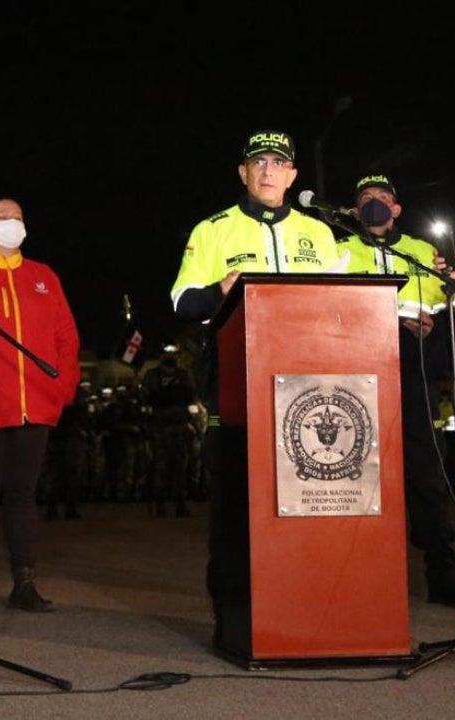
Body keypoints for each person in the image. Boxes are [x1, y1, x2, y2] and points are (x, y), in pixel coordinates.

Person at [169, 129, 344, 641]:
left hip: (310, 384)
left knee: (308, 499)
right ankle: (234, 618)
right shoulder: (213, 229)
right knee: (235, 502)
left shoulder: (321, 233)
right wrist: (219, 291)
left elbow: (344, 306)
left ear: (292, 176)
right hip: (235, 379)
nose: (267, 171)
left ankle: (306, 607)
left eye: (278, 163)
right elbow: (182, 302)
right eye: (257, 162)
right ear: (243, 173)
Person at [336, 173, 455, 607]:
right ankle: (365, 580)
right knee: (359, 478)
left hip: (415, 378)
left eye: (383, 198)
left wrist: (432, 329)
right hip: (356, 379)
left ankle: (443, 576)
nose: (375, 203)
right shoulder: (338, 253)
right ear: (354, 211)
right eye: (366, 198)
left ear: (397, 209)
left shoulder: (423, 253)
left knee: (427, 478)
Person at [0, 197, 80, 613]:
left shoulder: (43, 276)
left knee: (23, 495)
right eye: (3, 218)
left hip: (35, 406)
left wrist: (61, 389)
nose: (12, 223)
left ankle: (25, 583)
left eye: (18, 217)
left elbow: (66, 339)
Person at [140, 342, 199, 518]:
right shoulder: (152, 376)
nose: (170, 357)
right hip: (159, 426)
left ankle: (179, 502)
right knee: (160, 466)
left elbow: (192, 399)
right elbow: (145, 399)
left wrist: (194, 425)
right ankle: (160, 504)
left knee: (180, 466)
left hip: (179, 425)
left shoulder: (184, 375)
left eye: (173, 354)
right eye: (167, 354)